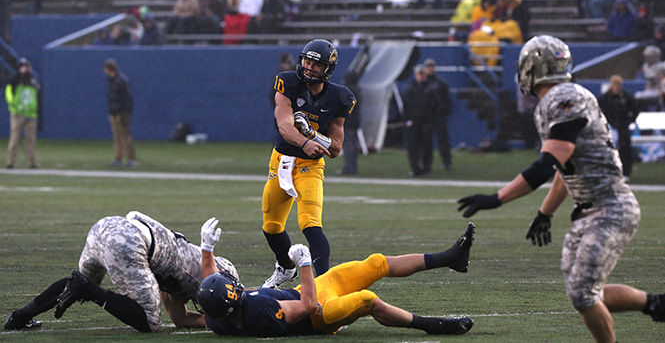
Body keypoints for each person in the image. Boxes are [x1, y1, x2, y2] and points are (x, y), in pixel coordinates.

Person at [457, 35, 665, 343]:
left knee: (583, 293)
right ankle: (655, 304)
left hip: (611, 207)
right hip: (589, 210)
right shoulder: (553, 101)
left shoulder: (564, 98)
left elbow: (547, 164)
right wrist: (545, 212)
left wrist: (496, 199)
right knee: (584, 293)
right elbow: (564, 168)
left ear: (533, 69)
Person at [197, 221, 475, 337]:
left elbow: (211, 291)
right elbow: (307, 305)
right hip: (319, 313)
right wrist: (305, 264)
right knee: (367, 300)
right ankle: (432, 326)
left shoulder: (217, 314)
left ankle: (450, 258)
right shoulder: (259, 311)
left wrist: (206, 249)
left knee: (375, 263)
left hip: (303, 292)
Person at [3, 212, 240, 332]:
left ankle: (20, 317)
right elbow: (211, 291)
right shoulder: (208, 275)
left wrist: (205, 320)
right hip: (131, 242)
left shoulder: (189, 274)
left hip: (105, 227)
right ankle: (89, 290)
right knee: (150, 323)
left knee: (76, 280)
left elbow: (179, 318)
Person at [261, 39, 356, 287]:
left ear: (328, 69)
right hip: (281, 161)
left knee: (310, 223)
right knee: (271, 226)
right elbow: (283, 125)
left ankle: (324, 286)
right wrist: (304, 142)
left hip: (310, 167)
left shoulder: (340, 97)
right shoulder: (288, 83)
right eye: (307, 61)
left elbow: (335, 149)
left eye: (316, 64)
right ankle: (285, 267)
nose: (310, 67)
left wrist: (314, 136)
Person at [598, 75, 638, 179]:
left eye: (618, 84)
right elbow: (599, 111)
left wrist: (629, 121)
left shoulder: (626, 97)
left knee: (625, 149)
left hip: (623, 127)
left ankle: (625, 172)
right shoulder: (605, 98)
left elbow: (635, 109)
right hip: (609, 127)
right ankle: (608, 170)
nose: (616, 87)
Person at [5, 57, 40, 169]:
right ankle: (10, 162)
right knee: (14, 138)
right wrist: (12, 104)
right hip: (17, 113)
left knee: (30, 140)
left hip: (30, 114)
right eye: (23, 67)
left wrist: (36, 110)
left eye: (27, 66)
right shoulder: (15, 79)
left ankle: (31, 162)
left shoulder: (33, 80)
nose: (25, 69)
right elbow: (8, 92)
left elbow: (36, 97)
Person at [103, 58, 137, 168]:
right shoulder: (112, 80)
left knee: (125, 136)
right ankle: (119, 158)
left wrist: (124, 112)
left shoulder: (120, 81)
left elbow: (126, 98)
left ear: (108, 69)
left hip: (121, 113)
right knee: (117, 137)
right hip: (114, 112)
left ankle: (131, 159)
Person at [403, 64, 433, 176]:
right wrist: (408, 120)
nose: (421, 76)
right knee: (413, 147)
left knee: (426, 147)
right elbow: (406, 106)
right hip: (414, 123)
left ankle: (426, 168)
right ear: (416, 75)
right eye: (419, 74)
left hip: (426, 122)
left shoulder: (430, 88)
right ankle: (415, 168)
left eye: (423, 74)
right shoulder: (410, 88)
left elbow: (434, 105)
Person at [424, 58, 452, 171]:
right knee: (426, 142)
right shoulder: (423, 83)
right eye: (428, 67)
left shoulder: (440, 83)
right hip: (427, 117)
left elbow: (447, 99)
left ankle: (447, 163)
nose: (430, 68)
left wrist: (444, 110)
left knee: (443, 140)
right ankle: (427, 164)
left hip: (439, 116)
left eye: (432, 66)